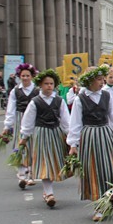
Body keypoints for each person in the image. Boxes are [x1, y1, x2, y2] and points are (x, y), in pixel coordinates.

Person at [67, 65, 113, 221]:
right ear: (90, 81)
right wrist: (73, 144)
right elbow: (75, 123)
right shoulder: (80, 98)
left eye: (103, 79)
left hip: (106, 133)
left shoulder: (107, 96)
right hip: (89, 136)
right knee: (93, 170)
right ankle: (98, 206)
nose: (102, 82)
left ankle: (111, 198)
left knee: (110, 168)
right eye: (99, 79)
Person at [19, 69, 71, 208]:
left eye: (51, 83)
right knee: (45, 163)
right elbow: (28, 121)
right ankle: (49, 193)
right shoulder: (35, 102)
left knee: (54, 163)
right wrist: (24, 137)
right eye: (46, 83)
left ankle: (46, 191)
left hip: (56, 133)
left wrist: (70, 137)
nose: (49, 86)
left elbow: (66, 120)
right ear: (40, 85)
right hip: (41, 133)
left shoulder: (59, 101)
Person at [1, 63, 39, 189]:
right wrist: (7, 125)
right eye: (22, 76)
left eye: (27, 75)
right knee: (20, 145)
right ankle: (21, 174)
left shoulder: (37, 90)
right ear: (19, 76)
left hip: (34, 120)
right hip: (20, 118)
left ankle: (32, 174)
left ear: (32, 76)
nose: (25, 78)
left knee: (34, 145)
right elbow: (10, 109)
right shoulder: (15, 91)